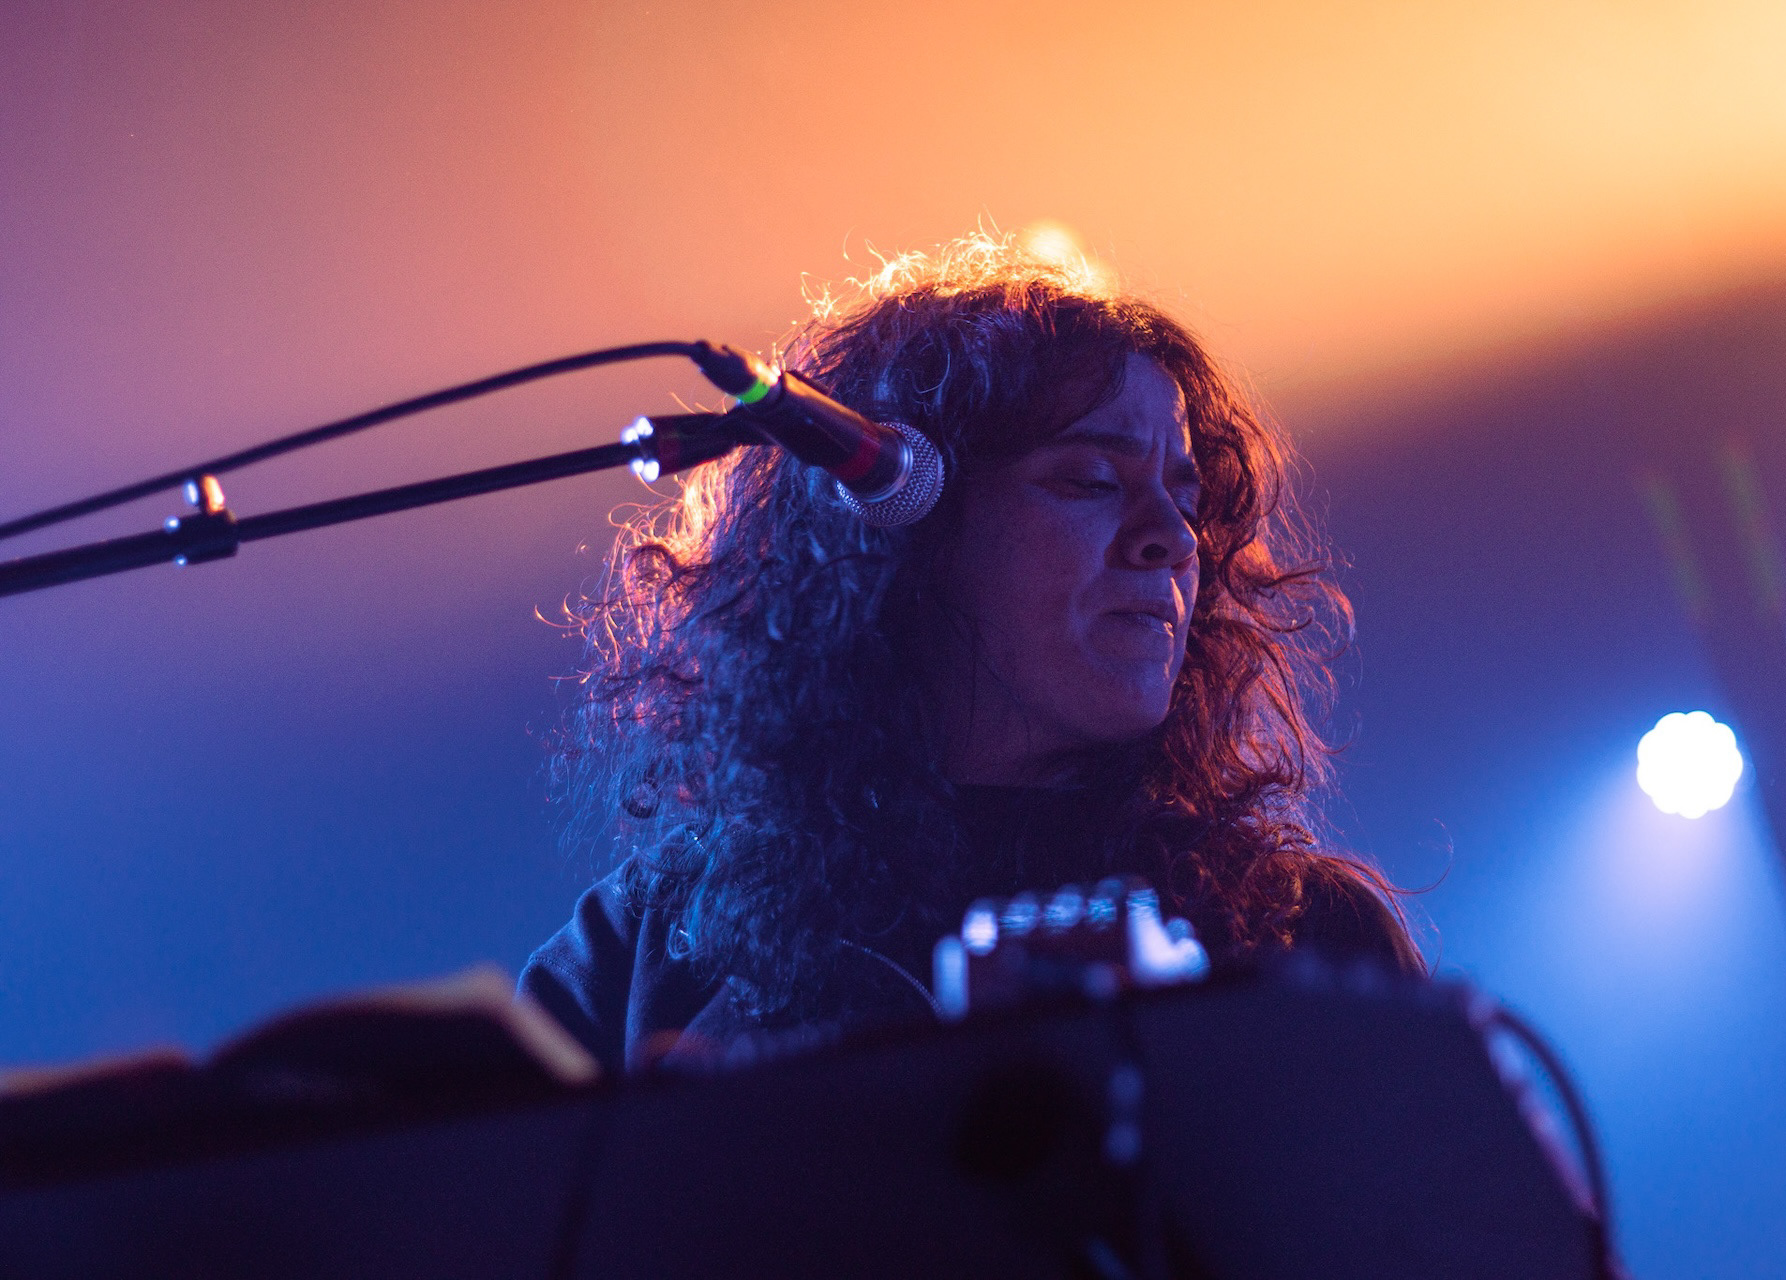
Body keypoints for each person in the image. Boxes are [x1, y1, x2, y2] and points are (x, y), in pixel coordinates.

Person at [521, 233, 1423, 1075]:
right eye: (1091, 480)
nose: (1173, 536)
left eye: (1184, 500)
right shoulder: (650, 940)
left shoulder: (1303, 936)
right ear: (905, 528)